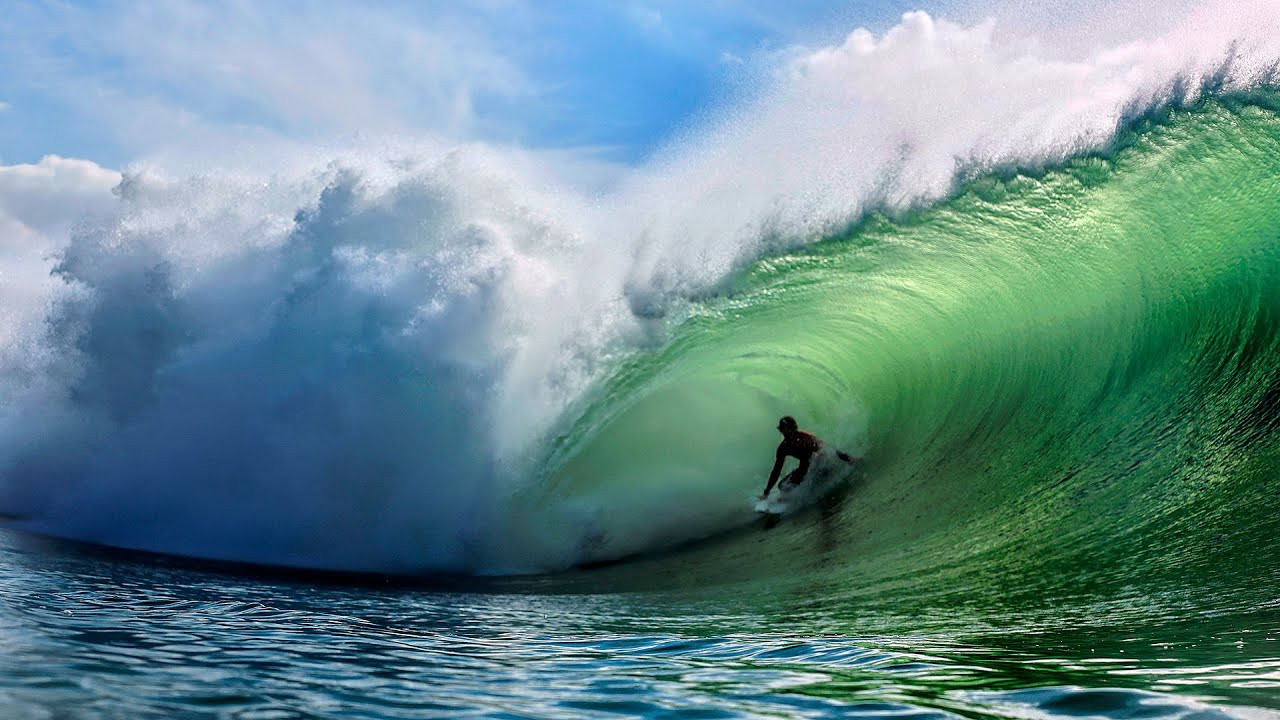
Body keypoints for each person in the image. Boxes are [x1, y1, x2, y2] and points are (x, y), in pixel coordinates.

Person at [759, 416, 858, 501]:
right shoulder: (783, 448)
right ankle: (790, 499)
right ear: (781, 431)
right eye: (785, 431)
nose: (788, 433)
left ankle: (821, 484)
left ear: (794, 428)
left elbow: (828, 449)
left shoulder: (805, 438)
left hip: (821, 463)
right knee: (782, 486)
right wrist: (766, 492)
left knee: (818, 468)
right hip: (805, 466)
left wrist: (848, 458)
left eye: (790, 430)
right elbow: (776, 471)